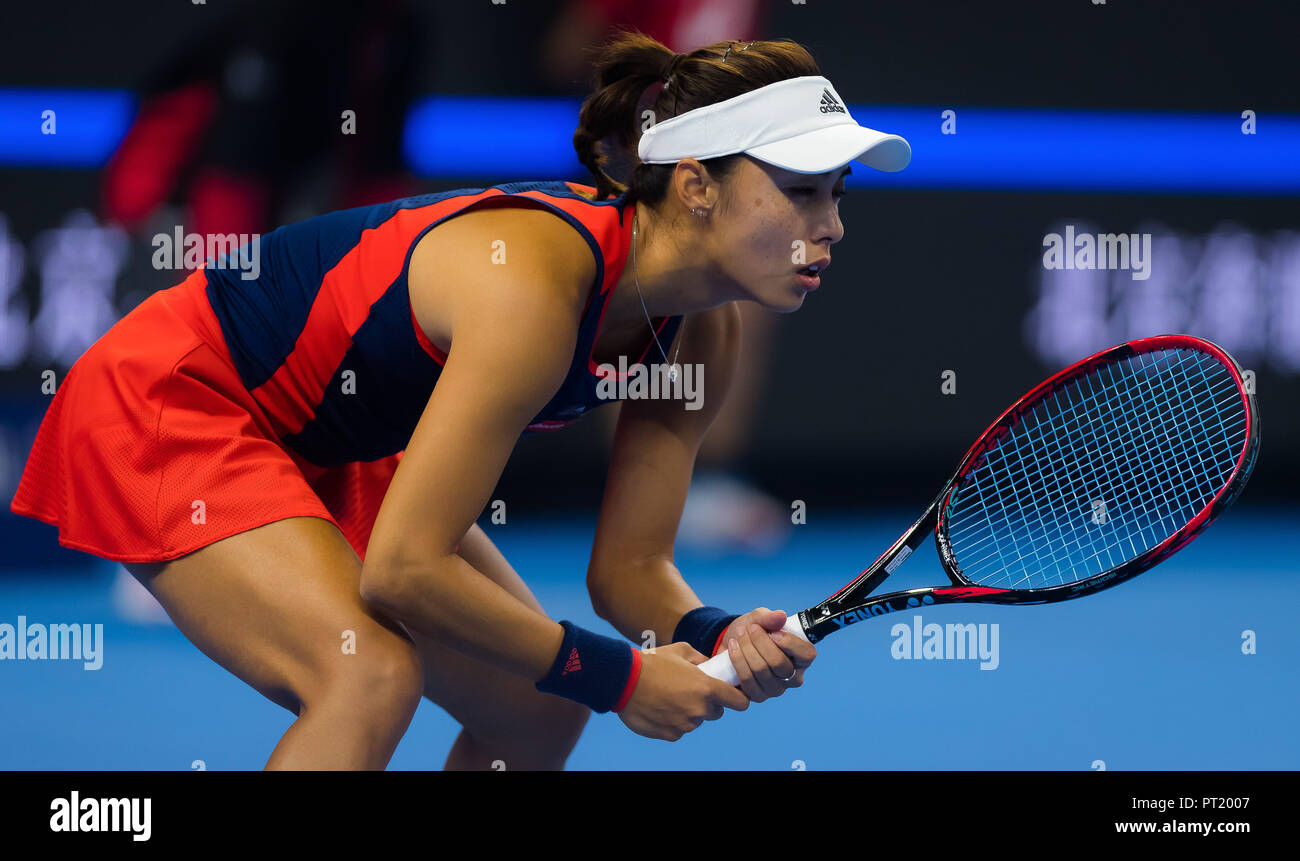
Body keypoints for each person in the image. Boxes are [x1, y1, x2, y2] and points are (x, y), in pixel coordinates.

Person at [10, 31, 909, 769]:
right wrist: (626, 678)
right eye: (797, 192)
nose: (828, 227)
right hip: (172, 397)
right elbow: (403, 570)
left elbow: (628, 572)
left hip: (325, 441)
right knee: (365, 673)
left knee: (538, 713)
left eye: (837, 193)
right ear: (696, 183)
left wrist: (709, 630)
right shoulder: (533, 285)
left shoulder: (704, 331)